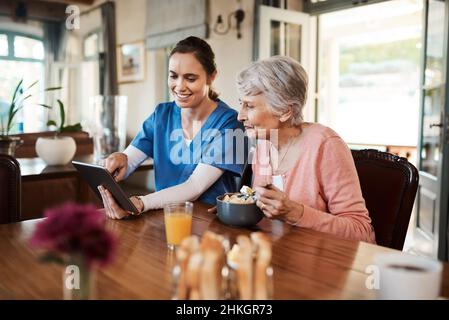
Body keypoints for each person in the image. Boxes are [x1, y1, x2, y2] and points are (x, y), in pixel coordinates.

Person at [98, 36, 247, 219]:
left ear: (211, 76)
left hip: (210, 223)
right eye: (173, 76)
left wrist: (141, 202)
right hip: (163, 218)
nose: (179, 86)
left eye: (190, 78)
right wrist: (119, 159)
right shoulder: (162, 115)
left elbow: (194, 186)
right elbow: (130, 159)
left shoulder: (230, 123)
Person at [236, 55, 375, 243]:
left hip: (319, 264)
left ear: (285, 111)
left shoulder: (325, 145)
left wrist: (295, 212)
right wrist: (237, 207)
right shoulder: (264, 143)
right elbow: (264, 212)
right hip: (275, 256)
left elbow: (361, 232)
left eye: (249, 106)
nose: (240, 116)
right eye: (241, 104)